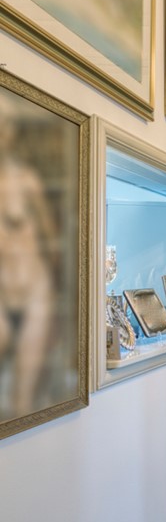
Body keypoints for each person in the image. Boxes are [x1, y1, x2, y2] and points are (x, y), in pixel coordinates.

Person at [0, 94, 58, 420]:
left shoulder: (26, 181)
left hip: (33, 292)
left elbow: (51, 238)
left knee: (22, 403)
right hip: (2, 296)